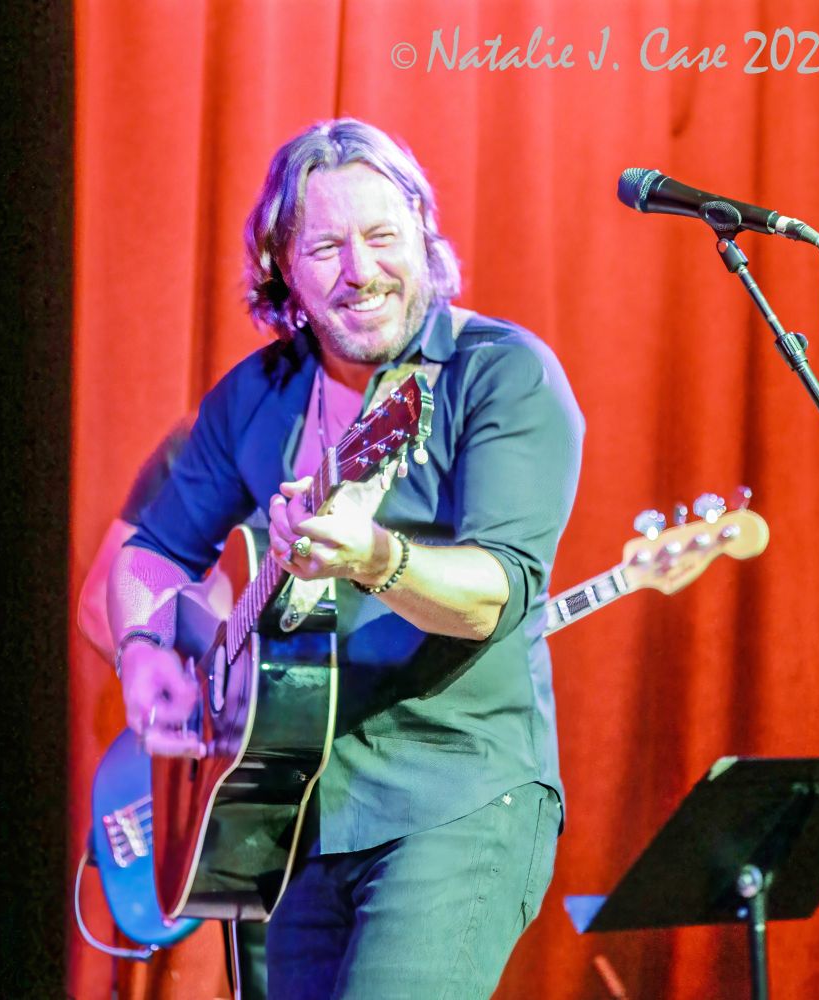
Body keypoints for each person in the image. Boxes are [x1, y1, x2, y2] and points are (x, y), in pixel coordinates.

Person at [107, 118, 584, 999]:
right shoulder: (259, 393)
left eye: (381, 237)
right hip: (293, 821)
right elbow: (148, 555)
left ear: (423, 237)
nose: (359, 272)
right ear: (282, 267)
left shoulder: (499, 375)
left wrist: (377, 559)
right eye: (324, 246)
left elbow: (493, 594)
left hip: (455, 800)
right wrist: (143, 653)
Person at [77, 415, 268, 999]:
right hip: (243, 789)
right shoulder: (219, 436)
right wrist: (194, 692)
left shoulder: (411, 445)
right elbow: (98, 603)